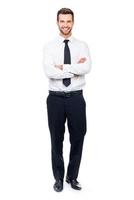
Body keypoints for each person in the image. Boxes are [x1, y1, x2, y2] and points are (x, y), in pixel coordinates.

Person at [43, 8, 91, 192]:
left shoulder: (82, 45)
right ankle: (58, 179)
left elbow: (87, 67)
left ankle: (72, 177)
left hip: (76, 99)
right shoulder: (49, 46)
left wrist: (62, 66)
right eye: (62, 21)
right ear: (57, 22)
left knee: (78, 138)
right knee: (56, 139)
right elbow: (49, 72)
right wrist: (74, 67)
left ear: (73, 22)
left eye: (68, 21)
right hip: (55, 99)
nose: (65, 25)